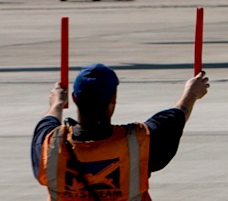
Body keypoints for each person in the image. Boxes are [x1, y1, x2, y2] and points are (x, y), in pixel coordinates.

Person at [32, 63, 210, 200]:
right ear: (113, 99)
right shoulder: (137, 142)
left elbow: (47, 123)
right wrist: (191, 93)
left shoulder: (51, 146)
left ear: (74, 98)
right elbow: (173, 120)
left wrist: (56, 104)